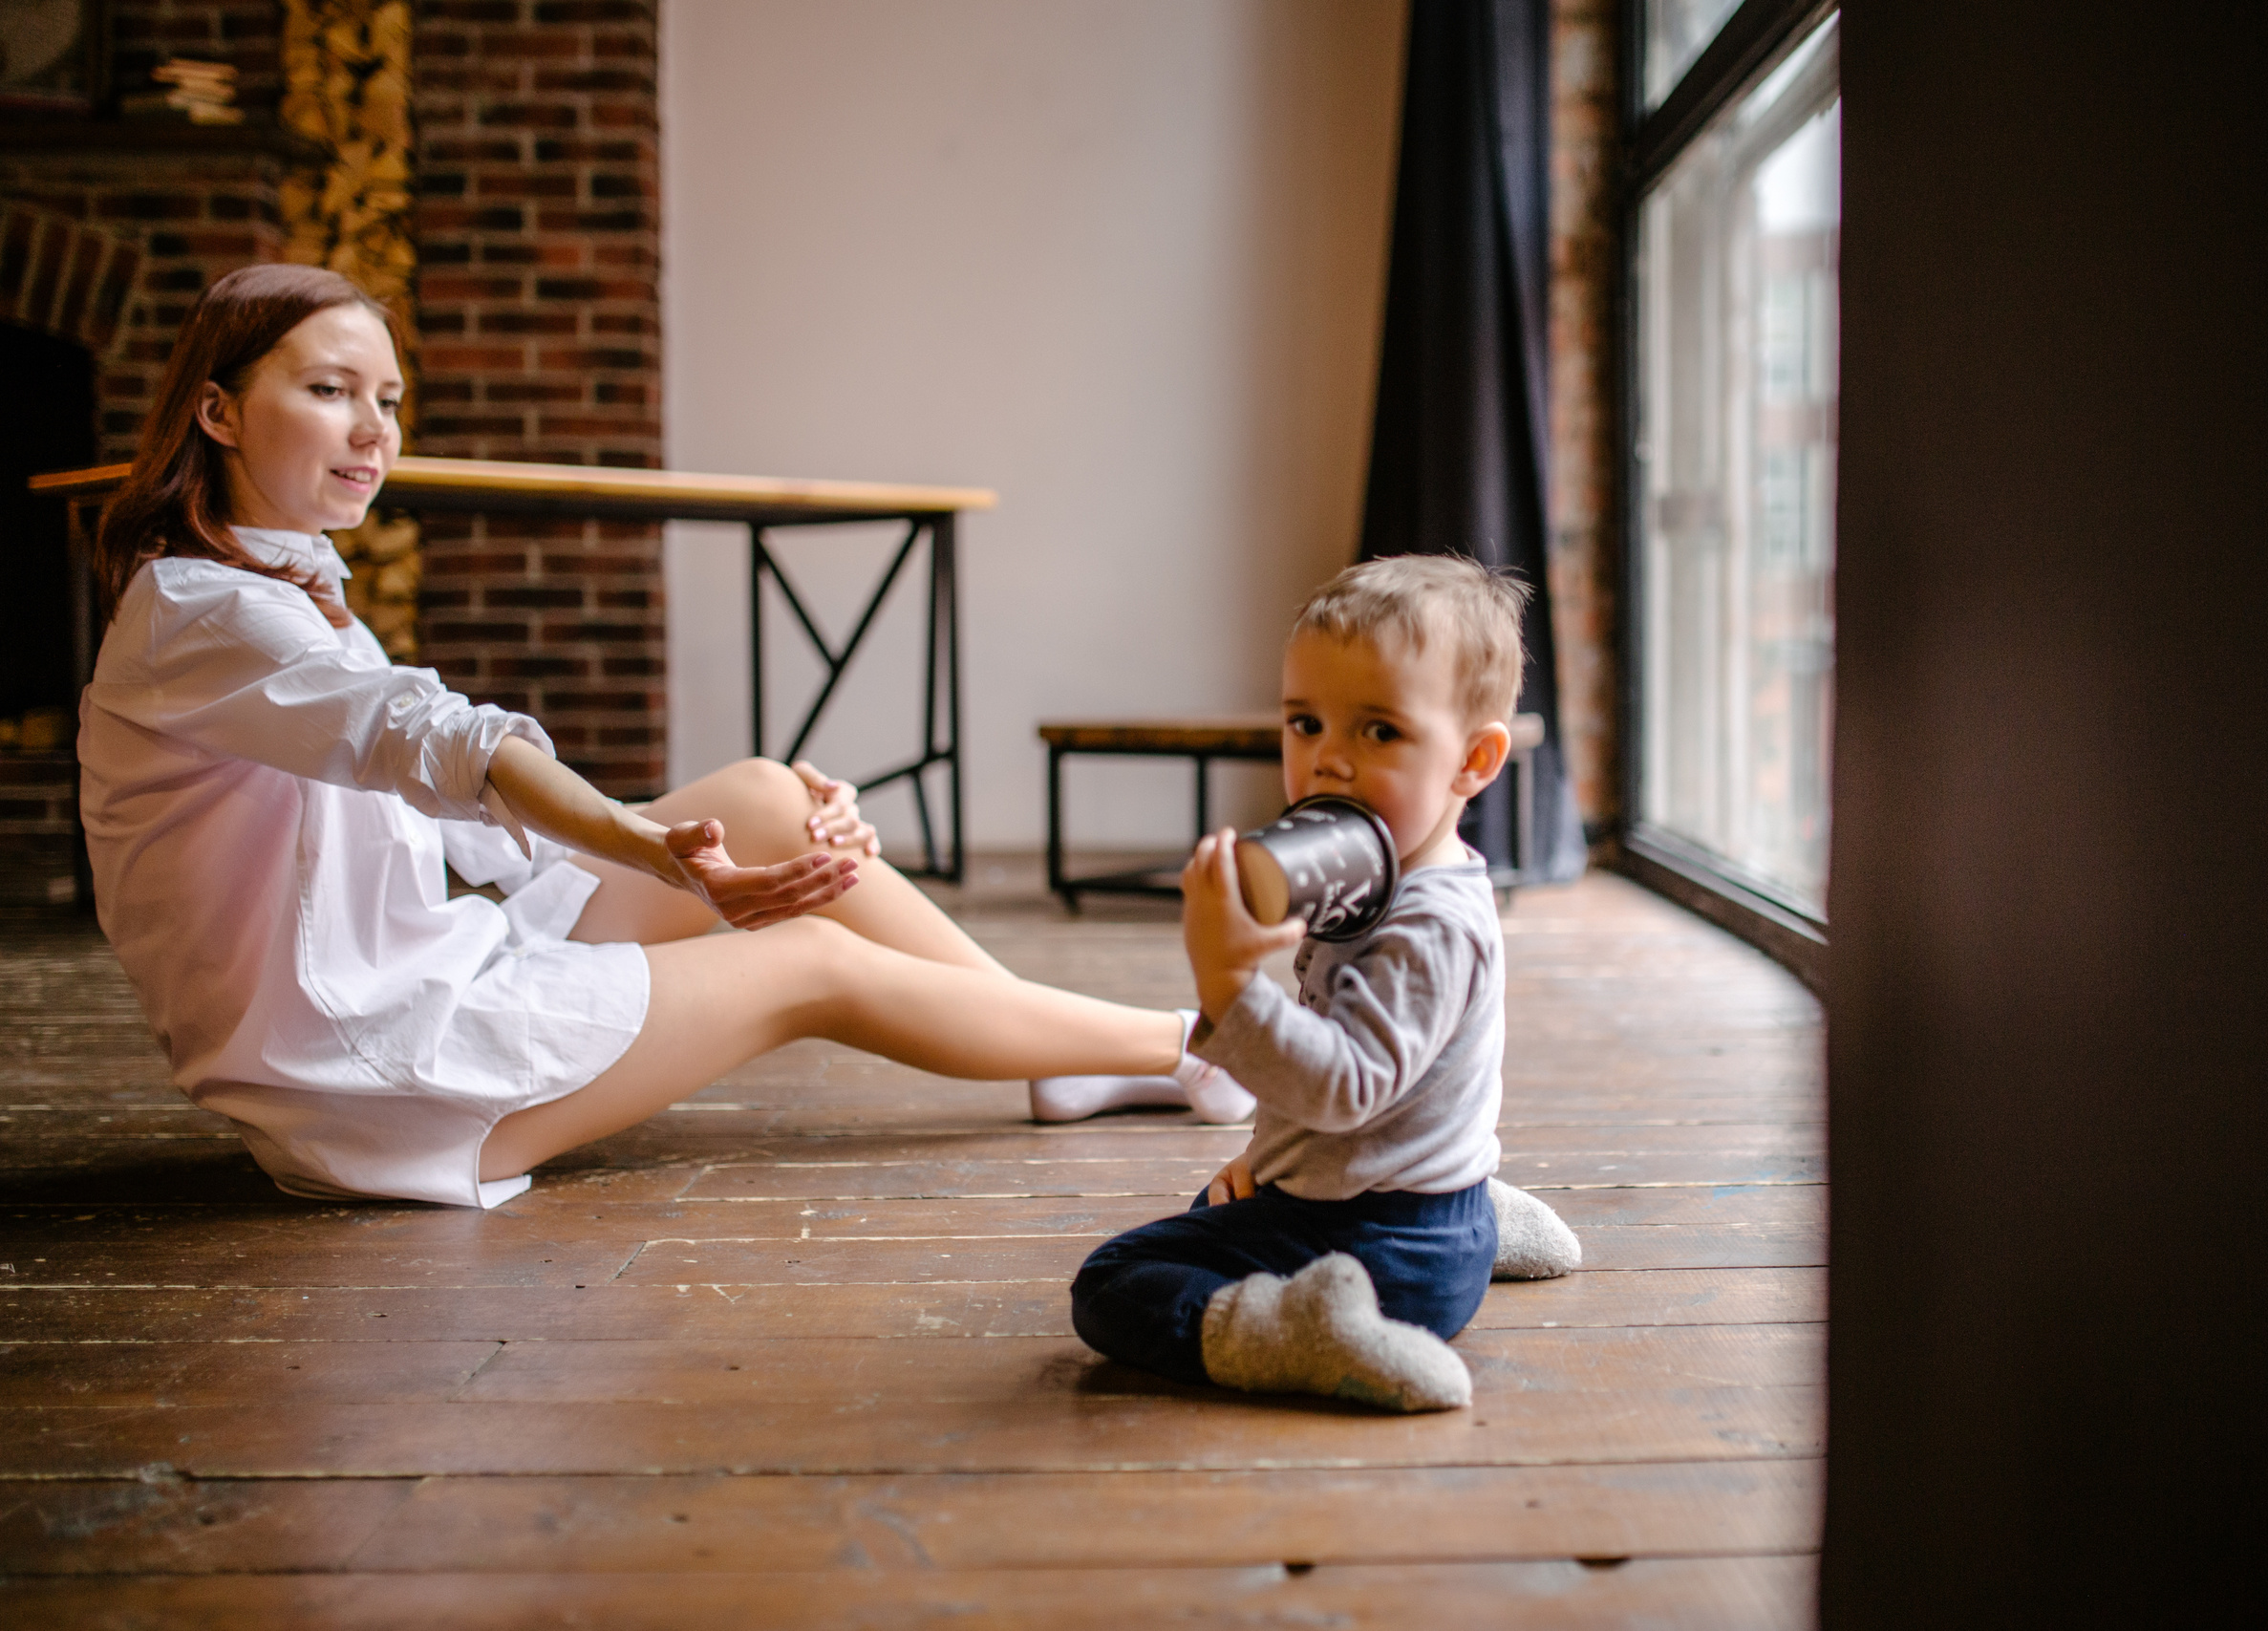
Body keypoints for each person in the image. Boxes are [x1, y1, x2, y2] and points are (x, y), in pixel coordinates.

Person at [76, 263, 1250, 1212]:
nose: (372, 430)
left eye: (387, 399)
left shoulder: (282, 589)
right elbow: (443, 743)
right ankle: (1197, 1048)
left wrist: (694, 834)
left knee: (765, 796)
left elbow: (473, 831)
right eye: (331, 391)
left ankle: (1050, 1046)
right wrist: (647, 848)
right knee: (807, 963)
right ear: (218, 410)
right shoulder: (204, 613)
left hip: (428, 970)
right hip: (368, 1077)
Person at [1069, 556, 1581, 1414]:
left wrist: (1230, 984)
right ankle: (1472, 1209)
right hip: (1398, 1214)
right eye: (1305, 723)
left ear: (1475, 759)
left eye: (1378, 732)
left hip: (1384, 1253)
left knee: (1113, 1283)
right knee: (1218, 1199)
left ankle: (1302, 1334)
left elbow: (1346, 1086)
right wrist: (1268, 1157)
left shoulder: (1432, 925)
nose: (1328, 761)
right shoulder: (1379, 880)